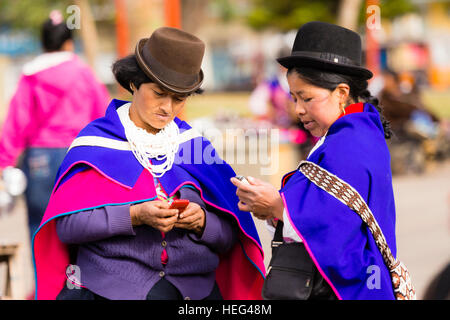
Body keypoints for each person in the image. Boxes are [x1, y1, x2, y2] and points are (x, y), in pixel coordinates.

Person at [32, 27, 265, 300]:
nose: (167, 107)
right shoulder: (95, 144)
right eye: (158, 93)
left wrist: (203, 222)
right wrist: (134, 215)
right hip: (111, 290)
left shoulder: (196, 148)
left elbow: (230, 237)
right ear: (134, 84)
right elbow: (68, 227)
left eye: (179, 98)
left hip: (195, 291)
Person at [231, 21, 402, 300]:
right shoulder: (356, 131)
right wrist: (277, 210)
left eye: (307, 98)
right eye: (294, 98)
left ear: (341, 93)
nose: (298, 109)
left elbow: (335, 230)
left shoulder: (349, 144)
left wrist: (277, 206)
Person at [0, 10, 110, 242]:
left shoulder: (30, 75)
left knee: (40, 229)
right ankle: (76, 278)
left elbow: (16, 121)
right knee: (82, 224)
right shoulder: (84, 74)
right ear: (69, 44)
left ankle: (43, 279)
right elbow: (103, 115)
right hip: (78, 155)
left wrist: (5, 162)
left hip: (38, 159)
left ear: (43, 43)